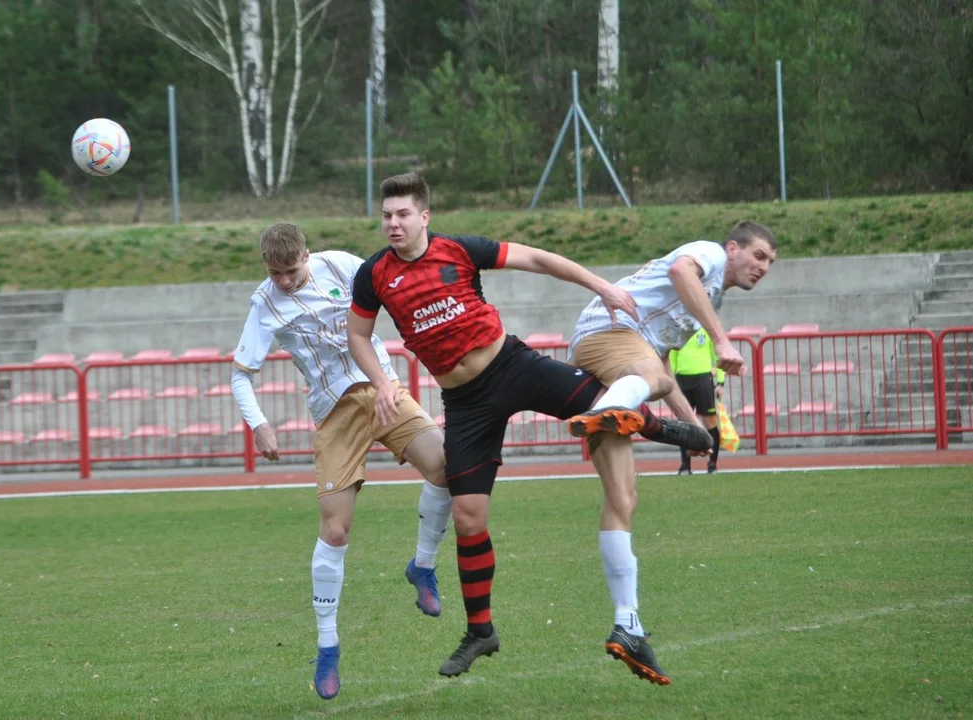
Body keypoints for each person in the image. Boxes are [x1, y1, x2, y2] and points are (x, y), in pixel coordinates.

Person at [345, 172, 709, 681]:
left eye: (403, 214)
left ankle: (664, 429)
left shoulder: (460, 250)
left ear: (424, 216)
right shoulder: (374, 274)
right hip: (465, 401)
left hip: (511, 366)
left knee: (603, 407)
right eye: (386, 215)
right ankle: (481, 632)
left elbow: (538, 259)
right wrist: (383, 381)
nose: (393, 223)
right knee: (468, 516)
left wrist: (602, 285)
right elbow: (357, 335)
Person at [230, 222, 452, 701]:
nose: (284, 281)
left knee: (445, 467)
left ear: (307, 255)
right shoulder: (264, 304)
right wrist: (259, 424)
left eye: (290, 270)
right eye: (275, 273)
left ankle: (423, 566)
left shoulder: (344, 266)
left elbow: (395, 300)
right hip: (333, 413)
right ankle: (328, 645)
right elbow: (241, 376)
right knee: (335, 531)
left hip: (383, 392)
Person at [564, 222, 777, 683]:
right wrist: (721, 340)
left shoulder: (709, 297)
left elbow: (658, 362)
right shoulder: (707, 256)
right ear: (734, 248)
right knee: (651, 380)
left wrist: (691, 429)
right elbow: (681, 270)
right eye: (758, 255)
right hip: (608, 334)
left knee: (623, 500)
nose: (763, 267)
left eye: (770, 263)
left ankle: (628, 623)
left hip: (622, 369)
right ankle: (610, 409)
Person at [670, 328, 726, 474]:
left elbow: (718, 355)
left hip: (703, 379)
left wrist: (720, 383)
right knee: (684, 423)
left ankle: (712, 464)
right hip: (682, 379)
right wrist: (671, 382)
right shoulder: (678, 330)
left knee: (710, 422)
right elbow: (672, 358)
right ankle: (685, 465)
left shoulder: (706, 328)